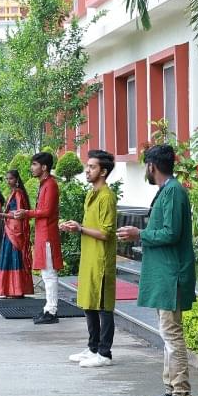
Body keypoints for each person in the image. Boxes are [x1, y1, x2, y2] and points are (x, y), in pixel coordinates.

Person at [117, 144, 196, 396]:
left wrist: (139, 234)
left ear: (151, 166)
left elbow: (171, 233)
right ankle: (171, 390)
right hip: (164, 274)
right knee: (167, 335)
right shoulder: (167, 190)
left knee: (172, 336)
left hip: (171, 274)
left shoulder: (173, 191)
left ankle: (182, 394)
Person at [60, 149, 118, 368]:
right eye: (88, 165)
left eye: (92, 167)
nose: (87, 170)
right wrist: (75, 227)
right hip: (89, 256)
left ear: (103, 171)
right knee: (89, 302)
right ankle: (93, 347)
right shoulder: (91, 194)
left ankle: (104, 353)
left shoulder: (106, 196)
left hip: (101, 258)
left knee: (103, 305)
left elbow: (106, 233)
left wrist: (80, 228)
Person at [15, 152, 63, 324]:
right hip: (43, 234)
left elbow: (47, 211)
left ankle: (52, 311)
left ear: (44, 167)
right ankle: (48, 308)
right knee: (45, 273)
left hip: (48, 235)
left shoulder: (50, 184)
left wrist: (26, 213)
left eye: (34, 164)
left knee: (49, 273)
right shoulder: (45, 184)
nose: (32, 168)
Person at [0, 169, 34, 299]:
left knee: (14, 256)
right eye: (7, 179)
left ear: (16, 180)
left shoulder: (18, 193)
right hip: (9, 228)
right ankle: (9, 289)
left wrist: (2, 215)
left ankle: (17, 290)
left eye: (10, 178)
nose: (8, 181)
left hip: (15, 230)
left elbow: (18, 214)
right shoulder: (13, 193)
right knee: (8, 257)